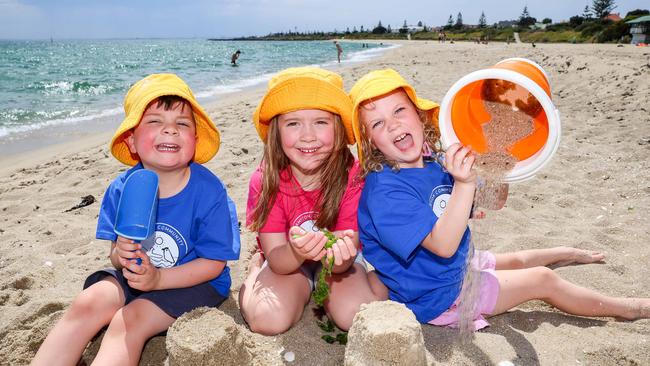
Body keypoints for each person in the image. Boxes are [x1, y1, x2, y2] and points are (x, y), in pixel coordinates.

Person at [349, 68, 650, 330]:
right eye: (377, 124)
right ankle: (627, 308)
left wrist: (497, 165)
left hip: (456, 267)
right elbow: (442, 246)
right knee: (542, 280)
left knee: (518, 259)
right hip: (440, 295)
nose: (392, 125)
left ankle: (567, 252)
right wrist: (464, 183)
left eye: (399, 111)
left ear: (418, 115)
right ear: (370, 140)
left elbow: (493, 201)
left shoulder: (434, 161)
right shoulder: (384, 192)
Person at [32, 74, 241, 365]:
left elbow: (214, 263)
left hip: (196, 281)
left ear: (195, 139)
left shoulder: (209, 192)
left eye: (182, 124)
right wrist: (121, 254)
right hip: (139, 276)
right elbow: (116, 256)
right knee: (87, 303)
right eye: (155, 122)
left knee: (129, 320)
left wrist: (158, 280)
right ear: (131, 140)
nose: (170, 130)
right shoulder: (124, 188)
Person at [239, 67, 387, 335]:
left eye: (321, 122)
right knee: (267, 320)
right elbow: (278, 260)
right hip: (285, 261)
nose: (308, 135)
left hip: (338, 265)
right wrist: (297, 252)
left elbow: (342, 259)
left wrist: (338, 257)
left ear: (339, 128)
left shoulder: (351, 176)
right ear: (276, 131)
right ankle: (253, 272)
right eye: (293, 123)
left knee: (353, 317)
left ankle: (372, 280)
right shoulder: (266, 181)